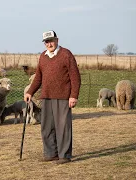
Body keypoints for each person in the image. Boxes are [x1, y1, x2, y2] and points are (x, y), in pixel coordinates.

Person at [24, 30, 81, 164]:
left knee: (63, 127)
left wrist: (73, 96)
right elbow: (38, 77)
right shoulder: (43, 56)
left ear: (57, 40)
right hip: (47, 97)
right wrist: (30, 92)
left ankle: (64, 155)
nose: (49, 44)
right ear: (44, 43)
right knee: (47, 127)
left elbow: (75, 77)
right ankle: (51, 153)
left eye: (51, 40)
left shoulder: (66, 54)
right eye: (47, 42)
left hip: (63, 97)